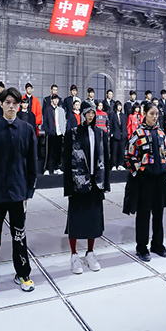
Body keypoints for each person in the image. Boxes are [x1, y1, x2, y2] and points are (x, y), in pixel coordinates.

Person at [0, 87, 38, 301]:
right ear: (1, 104)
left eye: (15, 103)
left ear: (19, 105)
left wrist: (29, 190)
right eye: (7, 102)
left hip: (18, 195)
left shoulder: (27, 130)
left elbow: (32, 163)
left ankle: (23, 274)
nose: (11, 106)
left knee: (19, 237)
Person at [123, 104, 166, 261]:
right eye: (151, 113)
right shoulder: (138, 133)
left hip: (160, 179)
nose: (155, 116)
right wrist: (139, 171)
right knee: (143, 215)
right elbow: (129, 156)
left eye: (156, 114)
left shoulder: (161, 133)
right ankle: (141, 247)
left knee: (158, 214)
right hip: (145, 181)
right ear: (144, 114)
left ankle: (157, 244)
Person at [63, 106, 110, 274]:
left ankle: (90, 252)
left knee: (93, 220)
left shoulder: (101, 133)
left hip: (96, 183)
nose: (90, 115)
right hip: (78, 182)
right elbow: (66, 159)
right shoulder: (73, 133)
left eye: (93, 113)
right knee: (76, 220)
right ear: (83, 114)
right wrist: (68, 186)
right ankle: (74, 255)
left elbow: (106, 158)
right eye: (87, 113)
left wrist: (105, 184)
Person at [42, 95, 66, 176]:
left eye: (57, 99)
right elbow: (45, 122)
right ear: (51, 100)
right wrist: (47, 131)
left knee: (58, 152)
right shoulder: (47, 109)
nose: (56, 101)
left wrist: (63, 131)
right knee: (49, 152)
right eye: (54, 99)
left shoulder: (61, 110)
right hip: (51, 133)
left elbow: (63, 121)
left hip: (59, 133)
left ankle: (57, 168)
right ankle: (47, 169)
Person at [109, 101, 127, 171]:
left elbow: (124, 125)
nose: (119, 107)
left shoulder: (124, 115)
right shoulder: (112, 114)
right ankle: (113, 165)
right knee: (114, 151)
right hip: (115, 135)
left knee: (121, 151)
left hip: (122, 136)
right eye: (118, 105)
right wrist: (111, 133)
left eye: (120, 106)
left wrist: (125, 133)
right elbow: (110, 124)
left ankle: (120, 164)